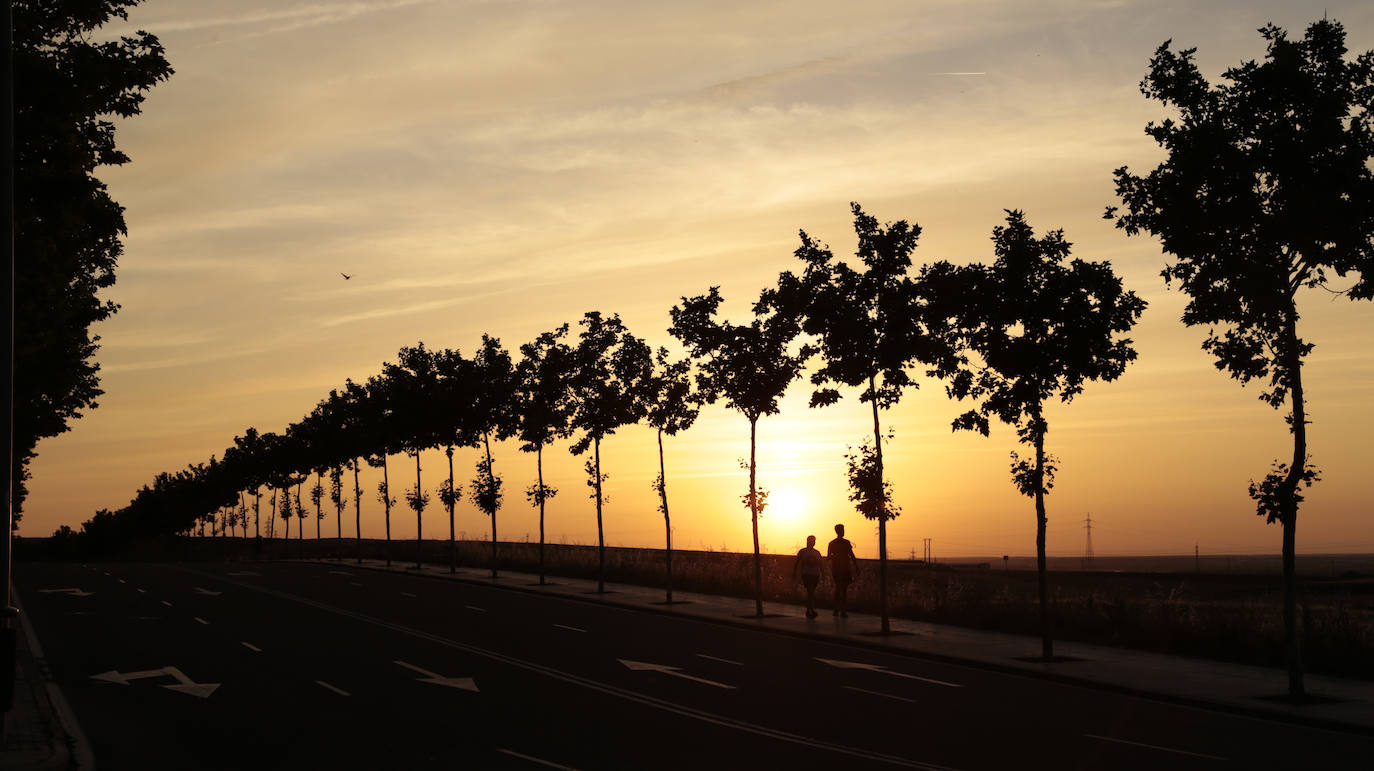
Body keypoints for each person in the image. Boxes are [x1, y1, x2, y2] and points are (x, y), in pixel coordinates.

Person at [827, 523, 858, 617]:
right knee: (843, 590)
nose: (843, 532)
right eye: (842, 530)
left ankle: (837, 609)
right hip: (844, 568)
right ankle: (842, 610)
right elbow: (851, 555)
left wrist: (834, 556)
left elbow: (828, 557)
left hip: (837, 568)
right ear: (839, 531)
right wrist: (856, 566)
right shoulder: (846, 543)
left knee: (838, 588)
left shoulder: (832, 543)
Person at [792, 535, 823, 618]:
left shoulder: (817, 553)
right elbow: (797, 562)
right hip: (806, 574)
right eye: (812, 540)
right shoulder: (803, 551)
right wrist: (794, 573)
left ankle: (809, 609)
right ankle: (810, 610)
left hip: (815, 574)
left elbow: (820, 564)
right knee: (810, 591)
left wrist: (822, 574)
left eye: (814, 541)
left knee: (811, 593)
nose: (813, 542)